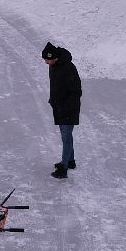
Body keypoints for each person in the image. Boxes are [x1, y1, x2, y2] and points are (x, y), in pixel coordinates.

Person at [43, 42, 82, 179]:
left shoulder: (68, 68)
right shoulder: (54, 66)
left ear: (54, 57)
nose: (46, 63)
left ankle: (63, 168)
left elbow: (76, 91)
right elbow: (57, 86)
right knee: (66, 136)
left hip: (68, 109)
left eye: (47, 60)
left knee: (66, 137)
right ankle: (70, 161)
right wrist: (52, 99)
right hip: (59, 107)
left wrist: (66, 107)